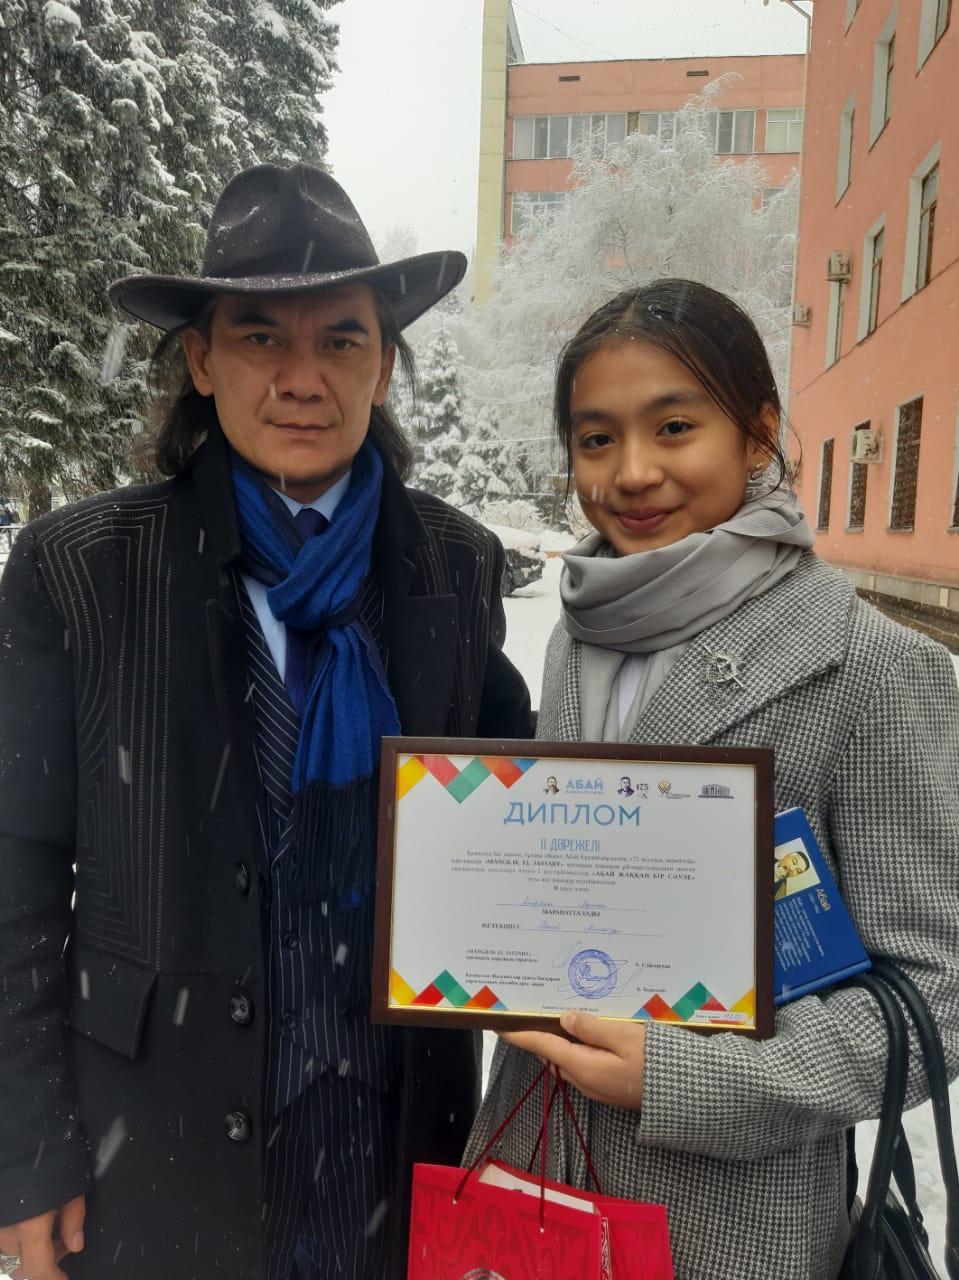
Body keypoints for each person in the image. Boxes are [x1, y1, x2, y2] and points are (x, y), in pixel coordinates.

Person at [0, 163, 532, 1280]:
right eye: (258, 337)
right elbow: (17, 871)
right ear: (200, 361)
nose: (302, 378)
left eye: (341, 338)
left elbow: (510, 819)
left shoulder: (452, 564)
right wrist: (28, 1148)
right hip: (156, 1148)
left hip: (391, 1141)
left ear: (384, 362)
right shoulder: (81, 570)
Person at [464, 280, 959, 1280]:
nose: (631, 472)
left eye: (674, 426)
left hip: (727, 1225)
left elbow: (934, 994)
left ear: (757, 431)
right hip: (533, 1183)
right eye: (595, 438)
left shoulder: (869, 667)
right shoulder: (578, 634)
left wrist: (683, 1073)